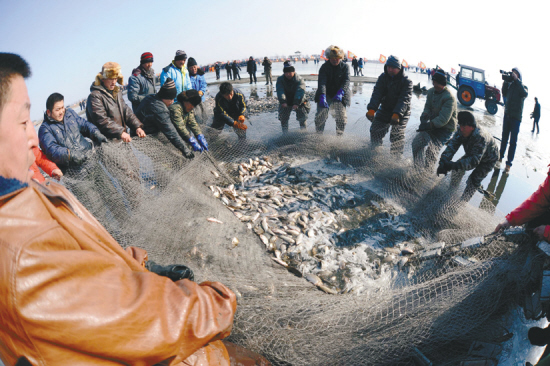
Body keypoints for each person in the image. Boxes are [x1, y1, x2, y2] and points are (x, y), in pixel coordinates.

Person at [0, 53, 270, 366]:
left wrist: (140, 263)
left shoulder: (35, 193)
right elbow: (133, 317)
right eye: (23, 122)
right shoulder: (21, 257)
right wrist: (214, 305)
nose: (35, 139)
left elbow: (86, 257)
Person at [436, 111, 499, 202]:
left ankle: (462, 203)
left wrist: (453, 165)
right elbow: (452, 146)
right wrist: (443, 161)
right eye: (460, 126)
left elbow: (474, 161)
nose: (461, 129)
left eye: (464, 127)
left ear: (472, 127)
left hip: (488, 159)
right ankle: (451, 192)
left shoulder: (480, 137)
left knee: (473, 181)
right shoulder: (461, 130)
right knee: (456, 171)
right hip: (473, 153)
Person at [39, 92, 107, 172]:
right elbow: (51, 150)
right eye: (57, 110)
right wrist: (70, 155)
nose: (61, 112)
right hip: (75, 173)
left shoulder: (70, 114)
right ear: (48, 112)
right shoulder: (45, 129)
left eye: (62, 107)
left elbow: (85, 125)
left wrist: (95, 132)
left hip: (91, 161)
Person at [135, 78, 195, 159]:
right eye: (171, 99)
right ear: (165, 97)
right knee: (165, 160)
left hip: (147, 131)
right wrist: (185, 150)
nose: (173, 101)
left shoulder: (152, 97)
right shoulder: (159, 109)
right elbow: (171, 132)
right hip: (144, 138)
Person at [86, 62, 146, 142]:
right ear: (103, 78)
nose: (114, 82)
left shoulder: (117, 92)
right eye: (111, 78)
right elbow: (101, 120)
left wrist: (137, 127)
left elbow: (126, 111)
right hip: (108, 144)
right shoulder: (95, 96)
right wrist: (120, 132)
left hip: (122, 140)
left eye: (115, 78)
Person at [366, 55, 413, 155]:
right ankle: (375, 151)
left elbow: (404, 99)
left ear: (399, 68)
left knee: (396, 135)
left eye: (393, 68)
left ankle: (396, 158)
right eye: (388, 67)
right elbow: (377, 93)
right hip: (385, 108)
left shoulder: (407, 82)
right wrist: (372, 109)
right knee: (375, 130)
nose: (390, 70)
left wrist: (397, 114)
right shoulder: (383, 78)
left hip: (402, 112)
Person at [412, 69, 457, 169]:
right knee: (416, 143)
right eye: (433, 82)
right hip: (432, 124)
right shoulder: (431, 92)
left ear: (442, 84)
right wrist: (424, 115)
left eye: (436, 83)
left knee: (431, 152)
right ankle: (417, 168)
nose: (434, 84)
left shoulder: (449, 98)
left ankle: (427, 172)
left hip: (445, 129)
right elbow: (428, 106)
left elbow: (443, 119)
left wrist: (428, 125)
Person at [314, 45, 351, 135]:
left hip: (340, 94)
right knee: (320, 117)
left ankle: (339, 136)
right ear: (329, 58)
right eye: (332, 58)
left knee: (341, 118)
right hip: (326, 93)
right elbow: (322, 82)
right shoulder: (324, 67)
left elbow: (346, 80)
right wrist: (322, 95)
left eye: (337, 58)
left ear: (340, 58)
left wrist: (341, 91)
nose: (335, 60)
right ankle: (319, 134)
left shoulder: (345, 67)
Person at [499, 67, 528, 172]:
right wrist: (506, 81)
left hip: (516, 119)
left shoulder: (523, 87)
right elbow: (504, 92)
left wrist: (517, 80)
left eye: (516, 74)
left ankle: (508, 164)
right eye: (513, 73)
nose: (513, 75)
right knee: (504, 138)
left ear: (519, 76)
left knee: (513, 142)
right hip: (507, 116)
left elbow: (524, 94)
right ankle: (500, 157)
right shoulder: (510, 85)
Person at [276, 61, 310, 133]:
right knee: (283, 118)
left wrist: (296, 103)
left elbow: (300, 91)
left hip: (299, 101)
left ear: (294, 71)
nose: (288, 74)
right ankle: (285, 134)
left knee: (302, 118)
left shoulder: (300, 79)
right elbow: (280, 91)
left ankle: (304, 133)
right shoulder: (280, 79)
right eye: (286, 72)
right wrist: (283, 101)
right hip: (286, 101)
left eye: (290, 72)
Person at [187, 57, 208, 124]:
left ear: (197, 66)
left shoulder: (201, 75)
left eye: (194, 67)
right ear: (189, 69)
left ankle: (204, 125)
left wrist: (201, 92)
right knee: (196, 116)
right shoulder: (187, 77)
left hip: (202, 99)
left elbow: (204, 84)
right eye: (191, 68)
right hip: (193, 101)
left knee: (205, 115)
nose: (193, 69)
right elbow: (188, 88)